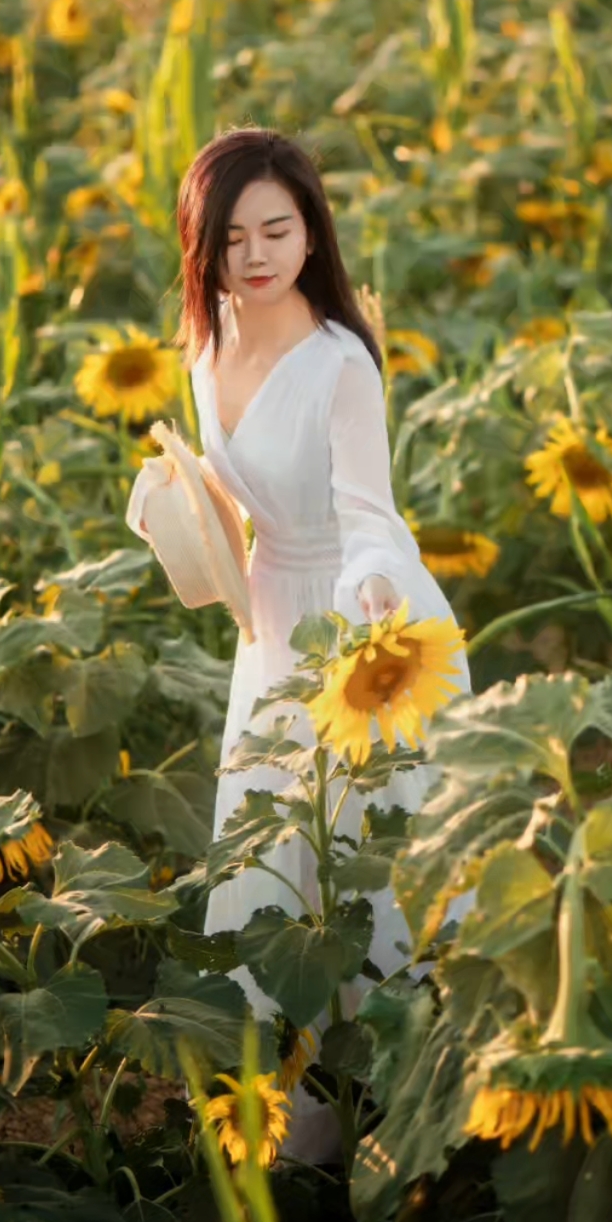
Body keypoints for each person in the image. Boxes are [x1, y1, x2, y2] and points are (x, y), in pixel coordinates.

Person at [173, 127, 473, 1161]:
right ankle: (302, 1134)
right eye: (233, 237)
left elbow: (368, 514)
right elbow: (221, 483)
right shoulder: (208, 335)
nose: (256, 255)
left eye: (277, 230)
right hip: (265, 612)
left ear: (311, 235)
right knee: (275, 845)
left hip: (353, 614)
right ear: (203, 248)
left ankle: (403, 1106)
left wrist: (374, 599)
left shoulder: (341, 363)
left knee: (362, 853)